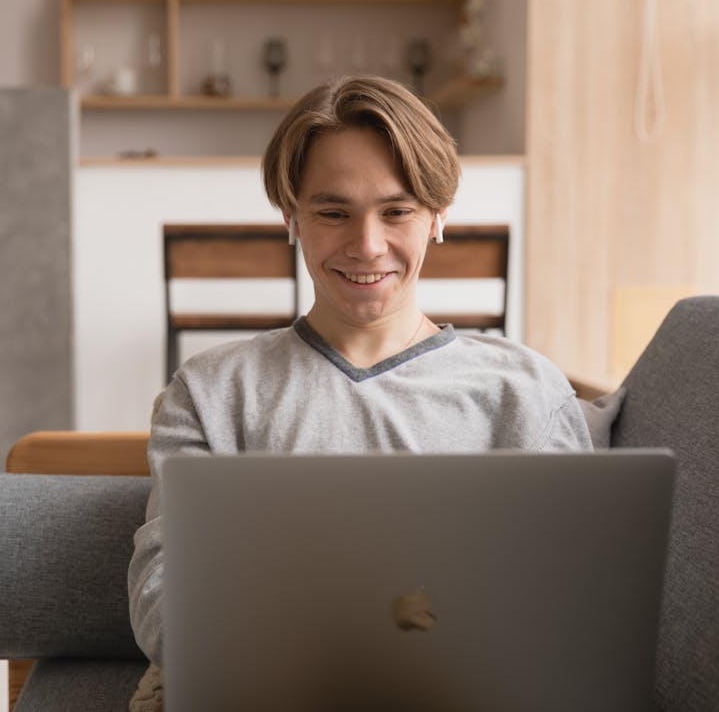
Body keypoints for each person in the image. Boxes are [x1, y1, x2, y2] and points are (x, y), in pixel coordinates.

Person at [127, 75, 593, 671]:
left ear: (438, 217)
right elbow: (165, 605)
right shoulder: (212, 394)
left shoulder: (526, 393)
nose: (367, 245)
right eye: (332, 212)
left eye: (396, 210)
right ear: (291, 217)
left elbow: (572, 605)